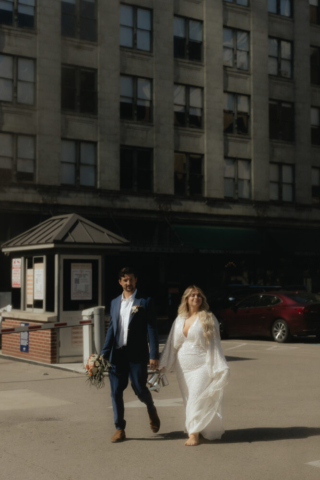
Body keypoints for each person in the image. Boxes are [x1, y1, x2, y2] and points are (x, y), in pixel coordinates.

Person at [159, 285, 229, 446]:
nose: (196, 298)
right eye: (192, 295)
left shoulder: (208, 318)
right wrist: (164, 364)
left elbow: (214, 345)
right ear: (186, 299)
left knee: (196, 398)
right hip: (183, 369)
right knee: (189, 399)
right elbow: (171, 345)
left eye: (198, 295)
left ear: (202, 299)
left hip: (202, 366)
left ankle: (194, 434)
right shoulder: (179, 319)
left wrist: (220, 365)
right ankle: (199, 427)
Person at [100, 267, 160, 443]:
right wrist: (103, 354)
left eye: (131, 279)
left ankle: (151, 408)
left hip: (137, 355)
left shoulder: (145, 301)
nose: (128, 283)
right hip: (117, 355)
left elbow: (152, 328)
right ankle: (120, 428)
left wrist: (154, 354)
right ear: (120, 282)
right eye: (125, 280)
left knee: (139, 388)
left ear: (136, 280)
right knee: (116, 391)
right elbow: (111, 328)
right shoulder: (114, 302)